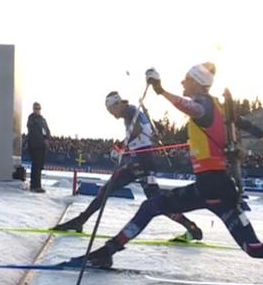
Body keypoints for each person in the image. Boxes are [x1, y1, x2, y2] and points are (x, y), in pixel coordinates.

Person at [72, 63, 263, 285]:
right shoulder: (220, 110)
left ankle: (108, 252)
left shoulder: (204, 105)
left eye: (186, 79)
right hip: (221, 189)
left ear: (197, 83)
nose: (182, 82)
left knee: (151, 206)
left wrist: (161, 91)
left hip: (209, 186)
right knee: (253, 248)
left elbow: (193, 110)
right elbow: (249, 126)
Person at [52, 91, 203, 241]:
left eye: (111, 110)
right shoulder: (131, 111)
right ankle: (190, 226)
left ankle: (81, 220)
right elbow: (142, 133)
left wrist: (122, 146)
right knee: (155, 199)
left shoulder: (129, 111)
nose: (112, 114)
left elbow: (136, 130)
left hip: (139, 161)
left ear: (117, 104)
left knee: (107, 189)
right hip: (145, 161)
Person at [27, 101, 51, 193]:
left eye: (39, 108)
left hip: (42, 146)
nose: (37, 110)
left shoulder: (42, 120)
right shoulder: (32, 119)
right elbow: (33, 130)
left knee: (40, 166)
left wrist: (47, 139)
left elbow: (47, 130)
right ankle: (34, 185)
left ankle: (38, 184)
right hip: (35, 145)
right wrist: (41, 139)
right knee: (36, 165)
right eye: (36, 108)